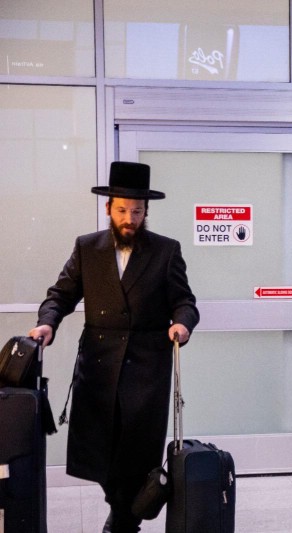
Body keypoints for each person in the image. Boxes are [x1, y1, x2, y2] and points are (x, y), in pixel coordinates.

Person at [28, 161, 199, 533]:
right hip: (99, 367)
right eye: (122, 210)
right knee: (100, 451)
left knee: (137, 453)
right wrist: (47, 322)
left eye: (137, 212)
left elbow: (184, 301)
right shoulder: (87, 247)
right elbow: (61, 295)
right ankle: (123, 512)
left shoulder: (166, 250)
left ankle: (122, 522)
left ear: (146, 211)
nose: (129, 219)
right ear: (108, 208)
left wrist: (183, 323)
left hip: (146, 368)